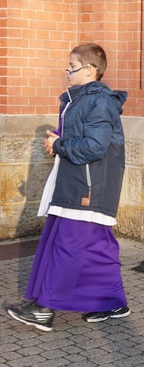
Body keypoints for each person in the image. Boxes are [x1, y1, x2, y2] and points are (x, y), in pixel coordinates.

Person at [6, 43, 130, 331]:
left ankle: (43, 308)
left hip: (88, 188)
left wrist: (58, 144)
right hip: (78, 183)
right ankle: (112, 301)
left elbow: (95, 147)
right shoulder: (80, 99)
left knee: (67, 247)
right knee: (99, 247)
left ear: (90, 70)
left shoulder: (98, 101)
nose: (67, 72)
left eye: (71, 67)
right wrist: (59, 141)